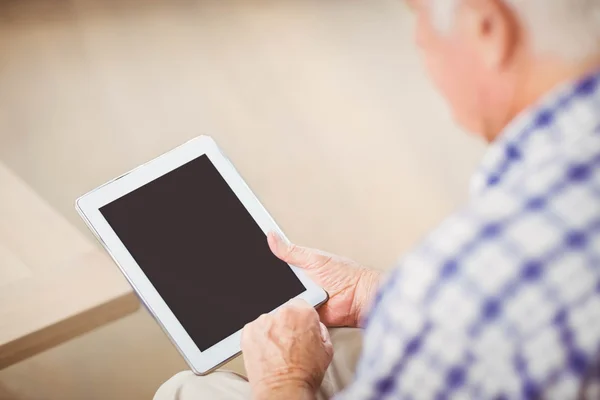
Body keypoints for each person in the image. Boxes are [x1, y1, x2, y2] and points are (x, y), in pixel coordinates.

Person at [156, 0, 600, 398]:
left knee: (187, 389)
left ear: (488, 28)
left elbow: (485, 305)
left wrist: (285, 381)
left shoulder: (463, 277)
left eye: (421, 27)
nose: (423, 49)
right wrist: (374, 292)